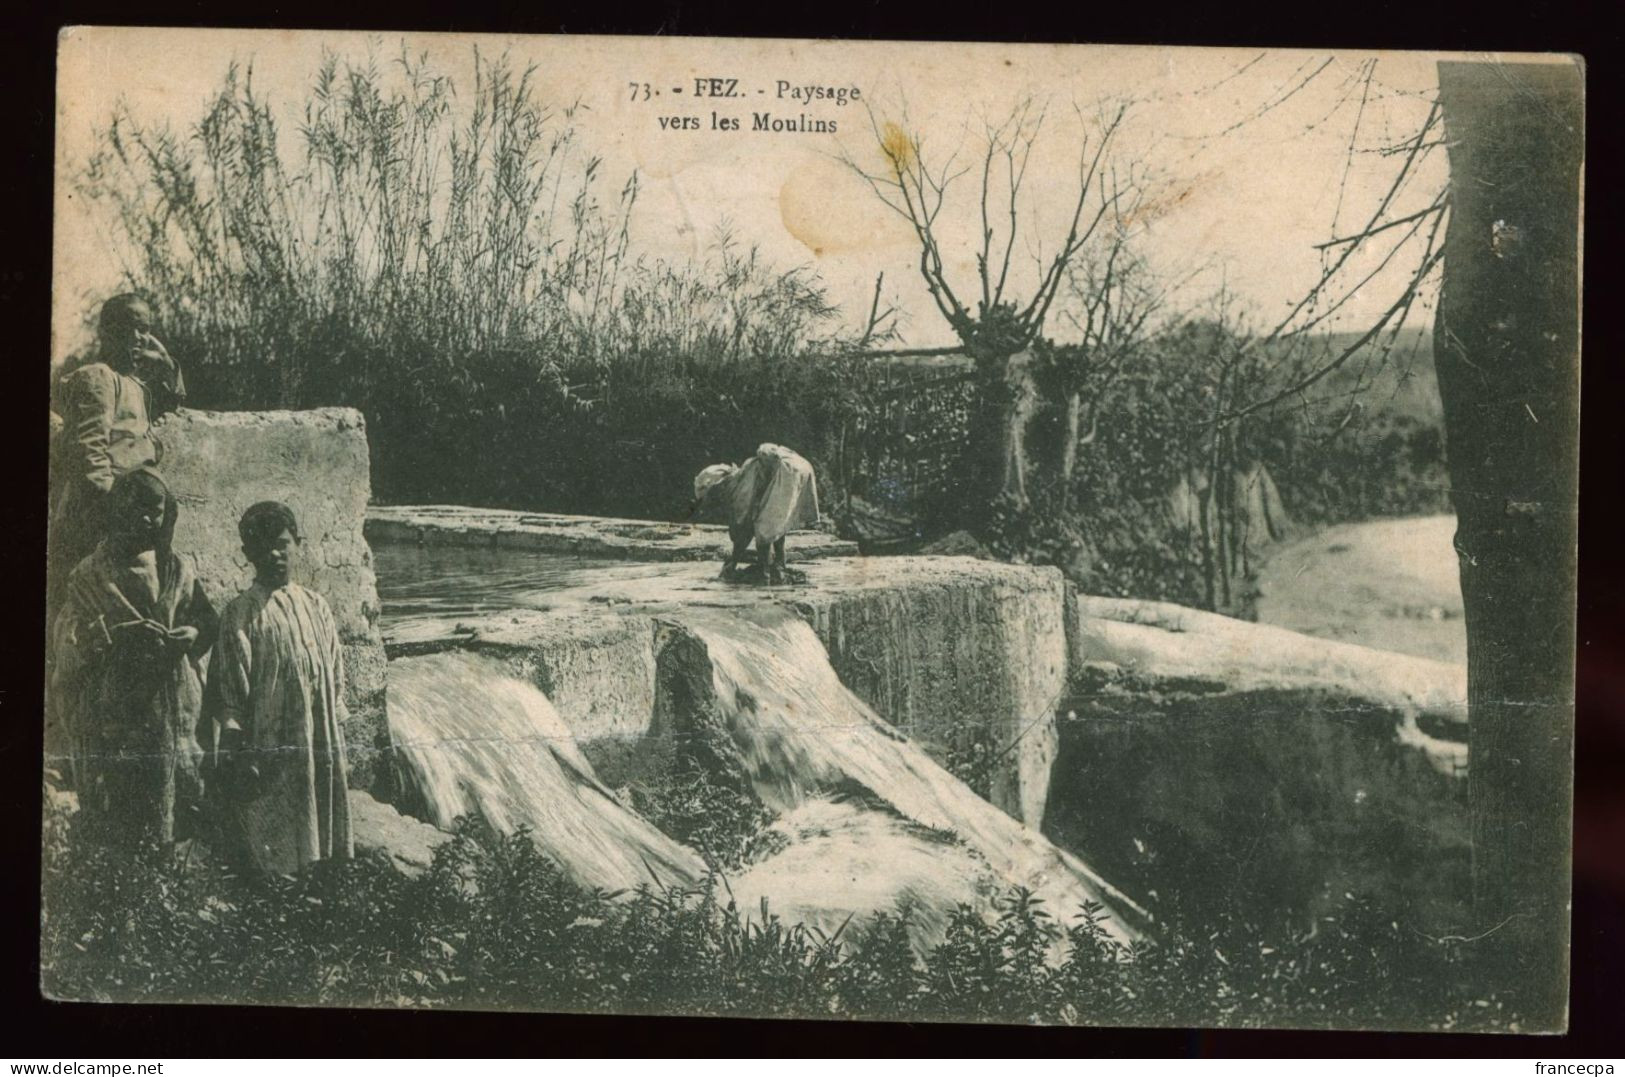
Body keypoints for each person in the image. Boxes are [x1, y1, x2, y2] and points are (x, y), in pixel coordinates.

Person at [49, 469, 216, 851]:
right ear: (114, 513)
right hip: (117, 709)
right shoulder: (92, 574)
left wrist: (190, 635)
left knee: (175, 804)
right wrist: (114, 637)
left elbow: (206, 620)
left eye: (154, 511)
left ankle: (165, 875)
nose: (146, 520)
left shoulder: (176, 569)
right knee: (122, 804)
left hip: (171, 707)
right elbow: (69, 637)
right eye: (135, 510)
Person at [205, 501, 353, 875]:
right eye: (263, 546)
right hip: (269, 745)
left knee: (320, 819)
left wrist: (337, 731)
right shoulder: (241, 614)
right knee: (276, 836)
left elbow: (334, 674)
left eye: (283, 543)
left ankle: (322, 883)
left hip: (317, 737)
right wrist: (237, 744)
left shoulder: (317, 606)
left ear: (297, 544)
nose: (275, 553)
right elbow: (231, 691)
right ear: (247, 554)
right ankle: (280, 894)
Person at [48, 295, 186, 609]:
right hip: (106, 513)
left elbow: (175, 400)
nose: (141, 338)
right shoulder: (99, 377)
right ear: (108, 332)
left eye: (146, 329)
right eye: (131, 328)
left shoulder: (136, 385)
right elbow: (91, 453)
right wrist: (113, 510)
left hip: (137, 513)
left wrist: (166, 362)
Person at [690, 443, 820, 584]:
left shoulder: (740, 486)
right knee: (775, 525)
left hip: (788, 471)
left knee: (764, 528)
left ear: (716, 488)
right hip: (799, 466)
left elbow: (744, 529)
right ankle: (779, 566)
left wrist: (732, 562)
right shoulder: (745, 473)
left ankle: (765, 575)